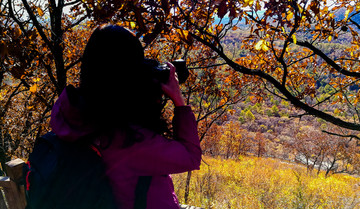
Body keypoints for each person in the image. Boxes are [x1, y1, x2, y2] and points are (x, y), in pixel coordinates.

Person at [50, 24, 202, 209]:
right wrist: (179, 101)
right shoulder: (129, 142)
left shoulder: (72, 120)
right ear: (128, 75)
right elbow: (191, 156)